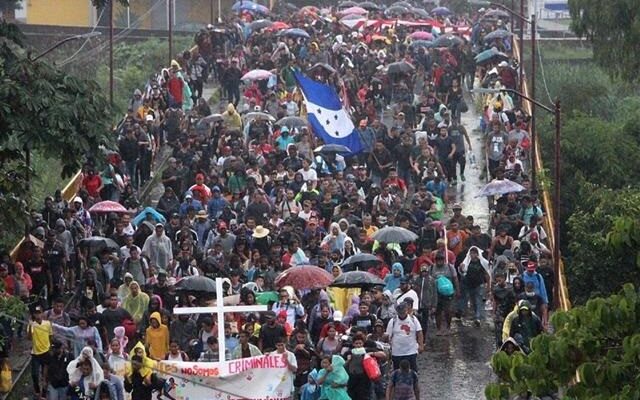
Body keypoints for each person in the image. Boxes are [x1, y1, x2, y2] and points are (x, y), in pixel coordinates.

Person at [385, 302, 423, 372]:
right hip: (397, 352)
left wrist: (421, 345)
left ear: (406, 310)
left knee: (412, 371)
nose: (402, 314)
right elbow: (388, 336)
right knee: (397, 371)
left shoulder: (413, 319)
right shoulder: (393, 321)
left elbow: (419, 332)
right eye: (400, 312)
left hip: (411, 351)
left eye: (403, 312)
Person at [27, 306, 53, 399]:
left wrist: (50, 347)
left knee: (45, 375)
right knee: (34, 374)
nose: (38, 315)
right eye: (36, 313)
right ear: (33, 315)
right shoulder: (32, 325)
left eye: (39, 312)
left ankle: (44, 393)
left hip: (46, 352)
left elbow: (50, 335)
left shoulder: (47, 324)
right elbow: (29, 338)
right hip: (35, 354)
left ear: (42, 313)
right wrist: (30, 326)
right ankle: (37, 390)